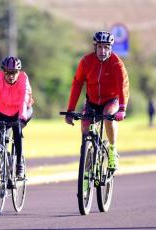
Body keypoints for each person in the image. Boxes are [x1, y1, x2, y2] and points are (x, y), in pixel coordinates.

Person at [64, 31, 129, 171]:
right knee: (85, 126)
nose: (102, 51)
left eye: (106, 47)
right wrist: (70, 110)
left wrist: (122, 109)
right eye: (99, 47)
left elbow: (123, 86)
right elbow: (77, 84)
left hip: (111, 100)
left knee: (108, 116)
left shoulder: (117, 64)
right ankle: (88, 157)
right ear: (95, 47)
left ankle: (112, 150)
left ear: (111, 48)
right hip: (92, 101)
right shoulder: (86, 62)